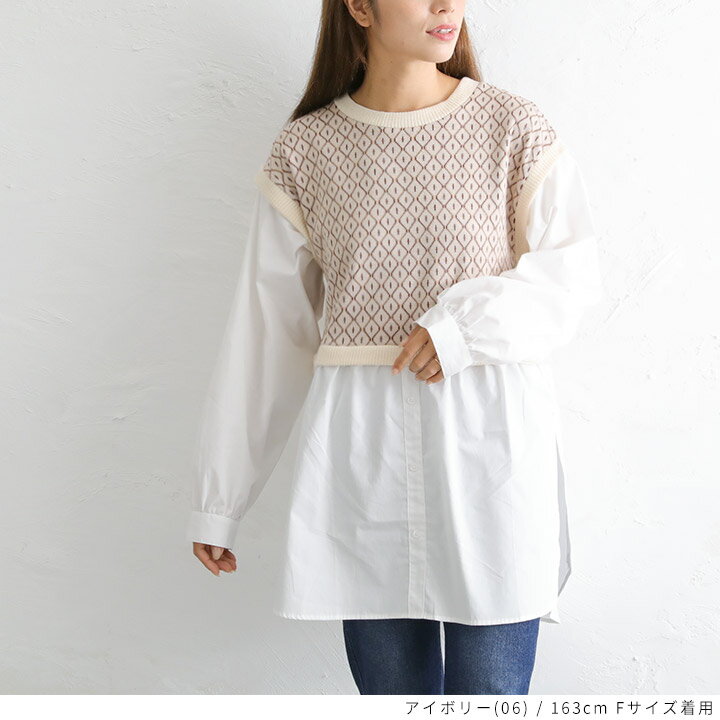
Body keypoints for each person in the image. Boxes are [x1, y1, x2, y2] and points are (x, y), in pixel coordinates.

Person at [186, 0, 603, 696]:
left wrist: (464, 331)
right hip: (363, 462)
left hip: (489, 457)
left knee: (491, 696)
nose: (447, 6)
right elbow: (267, 333)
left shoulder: (512, 128)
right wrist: (219, 497)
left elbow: (572, 275)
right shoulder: (305, 152)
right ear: (359, 6)